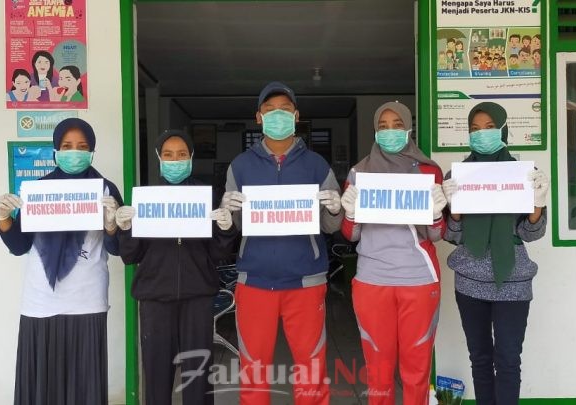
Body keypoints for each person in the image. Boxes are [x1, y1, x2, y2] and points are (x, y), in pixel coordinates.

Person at [220, 81, 343, 405]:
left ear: (296, 116)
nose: (278, 115)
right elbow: (233, 226)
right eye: (270, 110)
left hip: (305, 281)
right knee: (254, 372)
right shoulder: (240, 166)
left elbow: (332, 225)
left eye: (285, 110)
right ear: (258, 117)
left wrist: (335, 208)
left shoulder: (317, 165)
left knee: (311, 371)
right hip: (254, 281)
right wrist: (226, 211)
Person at [0, 117, 123, 405]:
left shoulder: (106, 190)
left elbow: (119, 249)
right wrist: (3, 218)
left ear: (92, 151)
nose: (74, 152)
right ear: (56, 150)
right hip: (41, 300)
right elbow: (19, 245)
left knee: (84, 386)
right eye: (67, 146)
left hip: (87, 300)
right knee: (42, 387)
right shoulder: (38, 191)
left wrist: (112, 225)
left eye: (82, 146)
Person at [114, 129, 237, 405]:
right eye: (168, 155)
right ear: (159, 158)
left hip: (197, 297)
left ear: (191, 157)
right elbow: (130, 255)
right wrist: (126, 229)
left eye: (182, 154)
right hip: (155, 298)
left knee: (198, 376)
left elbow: (218, 252)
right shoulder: (146, 200)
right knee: (157, 377)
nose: (175, 160)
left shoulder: (208, 197)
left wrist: (225, 228)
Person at [339, 101, 447, 405]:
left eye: (397, 125)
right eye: (383, 126)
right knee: (378, 370)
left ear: (409, 128)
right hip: (372, 280)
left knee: (417, 369)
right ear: (375, 131)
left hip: (419, 279)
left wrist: (436, 215)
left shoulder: (429, 171)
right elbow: (350, 235)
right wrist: (350, 213)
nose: (390, 131)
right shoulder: (359, 173)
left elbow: (437, 235)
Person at [441, 102, 549, 405]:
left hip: (513, 280)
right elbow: (452, 235)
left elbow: (531, 233)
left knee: (508, 360)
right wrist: (455, 209)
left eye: (489, 127)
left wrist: (538, 203)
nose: (482, 134)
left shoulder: (525, 174)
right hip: (469, 281)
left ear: (503, 129)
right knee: (480, 358)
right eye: (474, 129)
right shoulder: (457, 175)